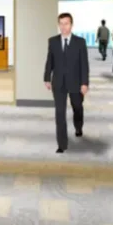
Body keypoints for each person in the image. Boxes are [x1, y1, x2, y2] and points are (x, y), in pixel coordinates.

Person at [44, 13, 89, 154]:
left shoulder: (80, 42)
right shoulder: (53, 41)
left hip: (76, 83)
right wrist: (46, 78)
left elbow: (84, 64)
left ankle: (78, 126)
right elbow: (49, 61)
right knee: (59, 113)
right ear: (59, 25)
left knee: (77, 107)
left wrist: (84, 83)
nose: (64, 27)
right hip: (58, 83)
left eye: (66, 23)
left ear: (71, 25)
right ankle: (62, 144)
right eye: (61, 24)